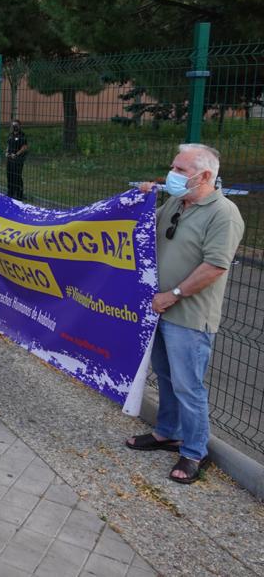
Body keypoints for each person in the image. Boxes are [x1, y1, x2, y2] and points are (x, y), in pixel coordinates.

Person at [125, 144, 244, 484]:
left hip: (188, 317)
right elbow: (145, 228)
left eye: (179, 170)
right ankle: (167, 433)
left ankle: (194, 452)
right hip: (159, 310)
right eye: (173, 168)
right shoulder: (176, 203)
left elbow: (215, 266)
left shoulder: (224, 213)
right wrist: (143, 199)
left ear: (205, 175)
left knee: (188, 385)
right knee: (165, 377)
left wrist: (172, 295)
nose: (171, 175)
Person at [5, 119, 28, 200]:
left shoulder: (22, 135)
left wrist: (17, 154)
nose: (14, 127)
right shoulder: (10, 135)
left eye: (16, 125)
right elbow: (8, 144)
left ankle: (19, 194)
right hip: (10, 158)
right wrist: (7, 152)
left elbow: (24, 147)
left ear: (19, 126)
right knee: (9, 175)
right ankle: (10, 192)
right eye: (13, 125)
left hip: (18, 159)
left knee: (17, 176)